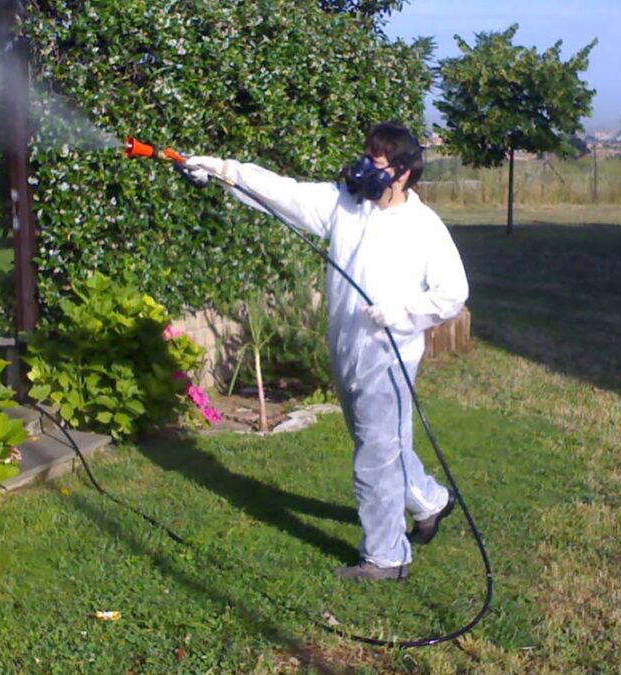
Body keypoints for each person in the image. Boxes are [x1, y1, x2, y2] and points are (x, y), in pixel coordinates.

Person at [184, 121, 468, 581]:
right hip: (346, 343)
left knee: (376, 451)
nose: (362, 170)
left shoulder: (423, 227)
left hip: (389, 352)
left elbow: (452, 293)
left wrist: (400, 311)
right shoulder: (345, 205)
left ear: (402, 173)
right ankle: (430, 500)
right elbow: (283, 192)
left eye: (374, 164)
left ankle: (386, 556)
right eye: (364, 159)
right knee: (379, 440)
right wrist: (221, 170)